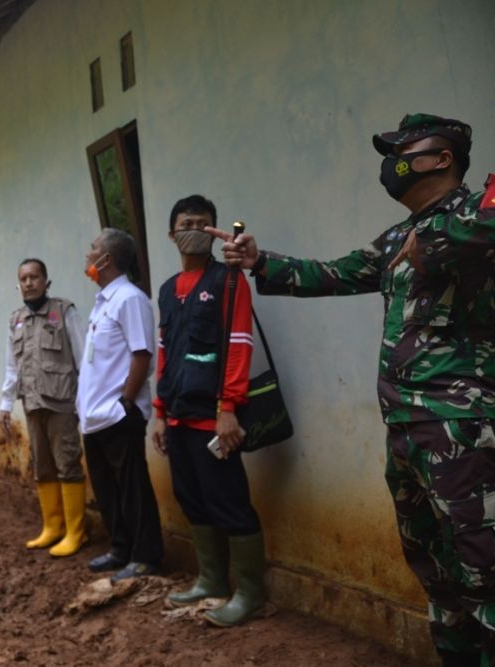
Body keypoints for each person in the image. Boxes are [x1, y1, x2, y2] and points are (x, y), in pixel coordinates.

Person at [209, 113, 495, 665]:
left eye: (402, 150)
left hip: (463, 429)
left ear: (442, 158)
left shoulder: (472, 213)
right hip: (407, 432)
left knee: (484, 573)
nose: (392, 162)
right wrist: (259, 261)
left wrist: (431, 239)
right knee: (436, 571)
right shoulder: (394, 239)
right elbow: (336, 273)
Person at [151, 194, 265, 627]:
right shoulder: (166, 290)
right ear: (172, 234)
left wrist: (228, 407)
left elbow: (239, 344)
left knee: (228, 500)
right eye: (186, 222)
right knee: (192, 499)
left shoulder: (229, 281)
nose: (194, 228)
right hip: (177, 416)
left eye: (203, 222)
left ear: (215, 232)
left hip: (214, 419)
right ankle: (212, 580)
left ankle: (250, 592)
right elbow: (165, 352)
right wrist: (159, 412)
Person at [77, 228, 164, 582]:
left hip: (118, 414)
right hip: (94, 417)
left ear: (106, 259)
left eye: (93, 248)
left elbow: (142, 354)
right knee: (107, 489)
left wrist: (126, 402)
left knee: (132, 489)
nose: (88, 254)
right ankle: (120, 548)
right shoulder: (103, 303)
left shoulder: (130, 299)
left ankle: (146, 556)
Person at [0, 258, 87, 557]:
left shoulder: (64, 311)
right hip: (32, 402)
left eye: (34, 277)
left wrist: (86, 401)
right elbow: (12, 366)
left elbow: (83, 356)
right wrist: (6, 403)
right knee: (43, 465)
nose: (28, 283)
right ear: (18, 284)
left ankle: (76, 532)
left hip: (62, 401)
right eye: (23, 278)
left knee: (67, 462)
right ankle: (53, 528)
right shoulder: (16, 320)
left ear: (46, 281)